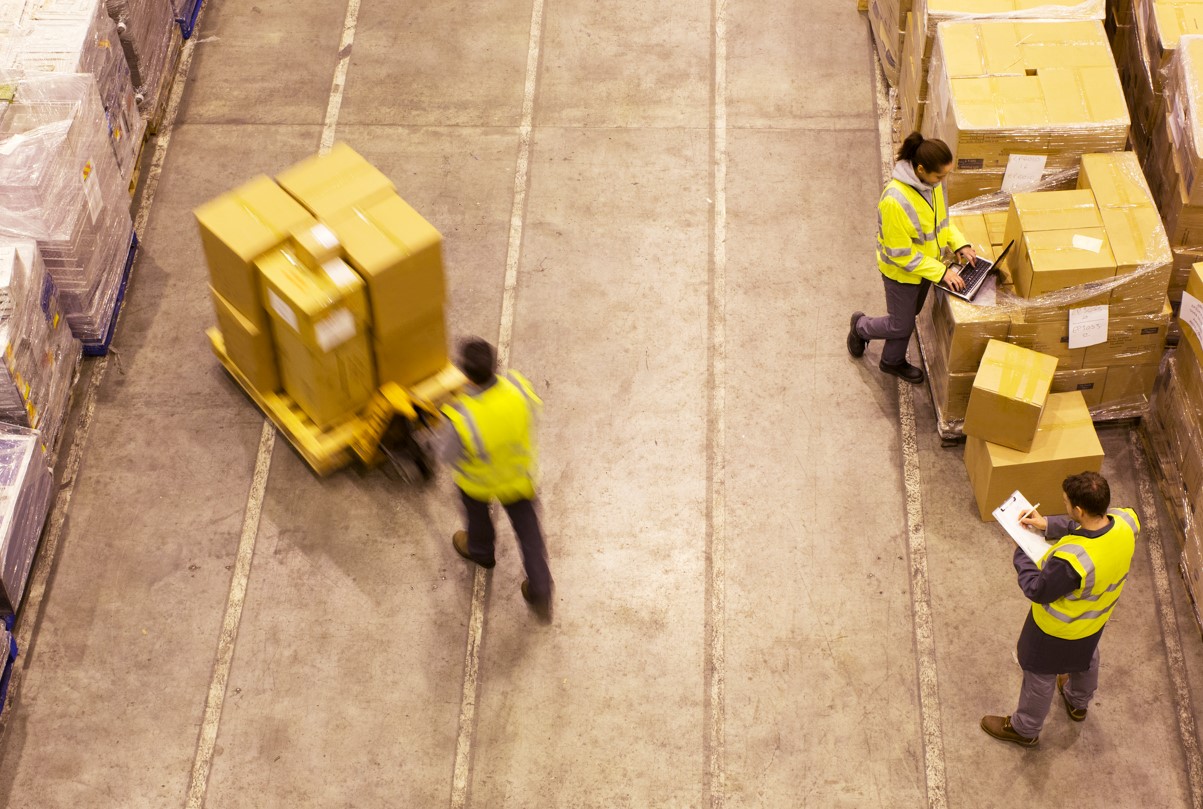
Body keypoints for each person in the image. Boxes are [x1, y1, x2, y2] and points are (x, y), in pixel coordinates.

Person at [980, 471, 1139, 747]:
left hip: (1054, 632)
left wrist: (1023, 550)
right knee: (1086, 658)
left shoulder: (1072, 561)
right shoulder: (1126, 520)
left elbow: (1037, 589)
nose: (1064, 506)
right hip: (1094, 621)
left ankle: (1025, 729)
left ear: (1078, 509)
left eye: (1066, 503)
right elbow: (1091, 529)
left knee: (1039, 675)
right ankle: (1078, 703)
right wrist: (1048, 525)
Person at [847, 131, 977, 384]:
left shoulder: (932, 185)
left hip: (925, 269)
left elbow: (941, 224)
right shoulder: (895, 201)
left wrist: (961, 244)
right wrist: (942, 273)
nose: (943, 180)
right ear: (920, 169)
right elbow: (900, 255)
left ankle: (891, 361)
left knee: (908, 316)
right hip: (902, 273)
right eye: (940, 175)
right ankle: (860, 326)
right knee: (899, 325)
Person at [441, 338, 553, 619]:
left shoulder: (462, 415)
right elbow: (534, 410)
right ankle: (541, 590)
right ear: (495, 365)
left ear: (465, 375)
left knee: (477, 518)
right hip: (517, 478)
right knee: (529, 533)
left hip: (478, 485)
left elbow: (445, 455)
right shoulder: (517, 389)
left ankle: (481, 552)